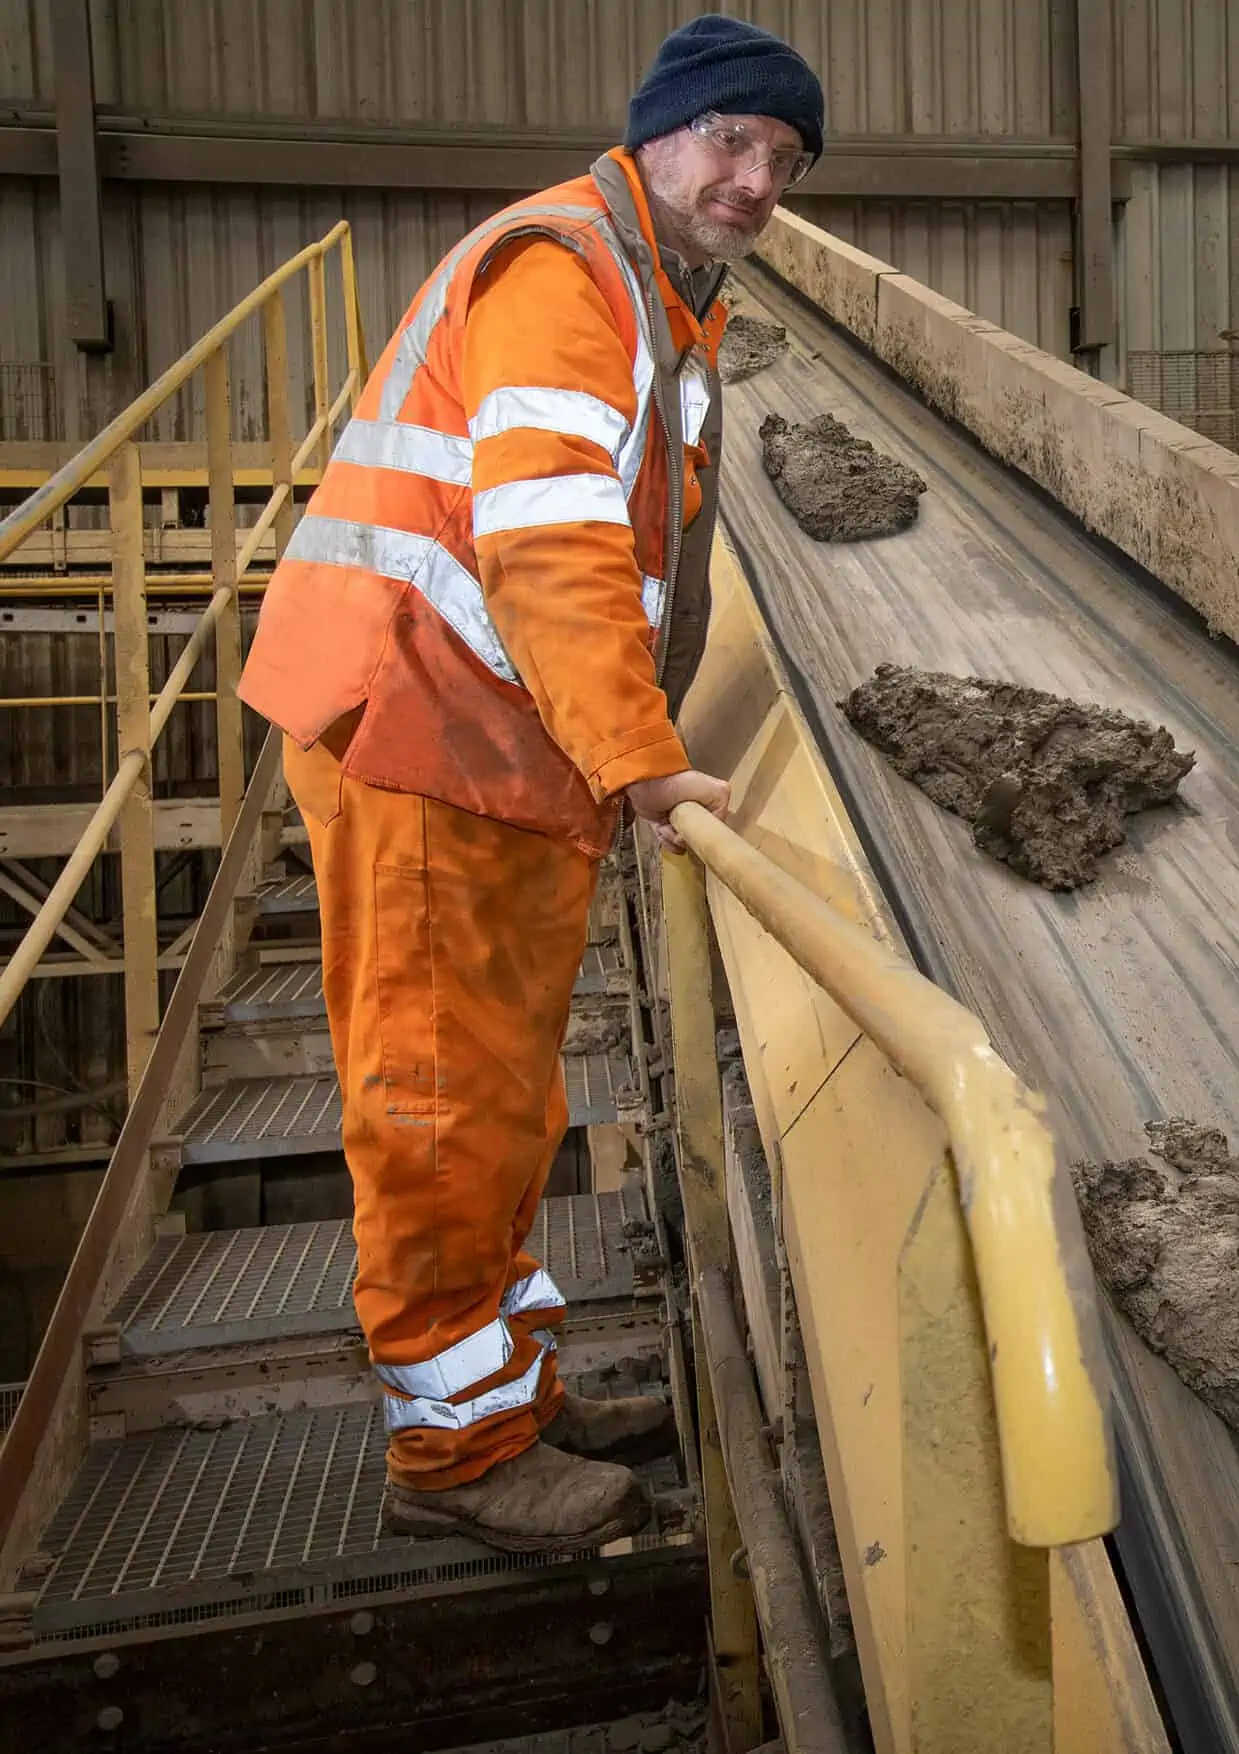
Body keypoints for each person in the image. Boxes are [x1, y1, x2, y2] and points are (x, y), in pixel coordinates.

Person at [239, 17, 824, 1553]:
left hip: (499, 748)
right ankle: (455, 1459)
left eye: (783, 159)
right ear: (659, 136)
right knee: (441, 1096)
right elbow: (551, 548)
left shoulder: (666, 301)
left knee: (503, 1096)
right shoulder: (570, 273)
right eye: (732, 142)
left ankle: (511, 1382)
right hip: (424, 729)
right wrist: (648, 767)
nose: (756, 180)